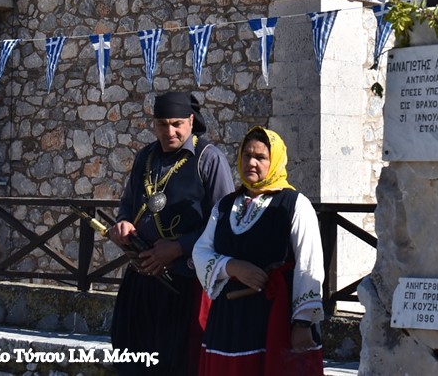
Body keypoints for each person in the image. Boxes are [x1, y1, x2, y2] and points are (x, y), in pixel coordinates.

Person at [109, 92, 233, 375]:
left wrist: (179, 247)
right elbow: (129, 203)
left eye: (177, 123)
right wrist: (124, 223)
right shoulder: (146, 156)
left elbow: (223, 224)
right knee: (131, 358)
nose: (170, 132)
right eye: (162, 124)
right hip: (141, 278)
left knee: (177, 364)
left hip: (186, 283)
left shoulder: (208, 159)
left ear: (191, 120)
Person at [192, 126, 326, 376]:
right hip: (231, 319)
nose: (251, 163)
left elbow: (309, 265)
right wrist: (231, 266)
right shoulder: (224, 206)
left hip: (276, 316)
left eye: (261, 157)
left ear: (274, 161)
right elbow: (201, 252)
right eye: (246, 155)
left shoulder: (294, 205)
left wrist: (302, 322)